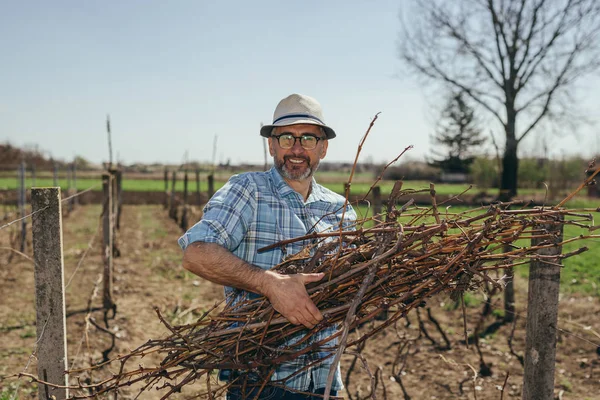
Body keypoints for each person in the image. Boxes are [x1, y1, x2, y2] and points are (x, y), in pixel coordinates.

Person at [178, 93, 357, 399]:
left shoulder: (340, 209)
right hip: (262, 382)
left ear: (324, 147)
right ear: (271, 145)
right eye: (286, 138)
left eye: (308, 139)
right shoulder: (247, 190)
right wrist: (269, 284)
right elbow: (195, 253)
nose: (297, 149)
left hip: (324, 382)